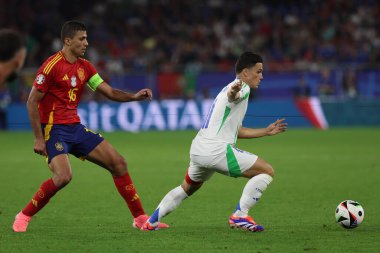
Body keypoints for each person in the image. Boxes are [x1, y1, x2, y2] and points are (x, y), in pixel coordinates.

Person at [12, 20, 168, 232]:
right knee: (63, 177)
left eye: (86, 38)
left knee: (119, 163)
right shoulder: (51, 66)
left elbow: (109, 92)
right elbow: (32, 101)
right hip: (53, 130)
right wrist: (39, 138)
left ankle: (140, 218)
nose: (86, 43)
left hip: (75, 128)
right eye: (81, 39)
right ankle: (24, 215)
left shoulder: (85, 67)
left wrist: (134, 96)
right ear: (68, 41)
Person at [141, 52, 287, 232]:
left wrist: (265, 131)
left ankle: (151, 222)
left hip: (199, 148)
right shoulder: (241, 88)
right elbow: (234, 94)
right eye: (258, 71)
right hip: (216, 149)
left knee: (187, 187)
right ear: (245, 73)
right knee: (266, 171)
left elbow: (237, 130)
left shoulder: (227, 89)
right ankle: (240, 216)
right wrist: (235, 92)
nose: (262, 76)